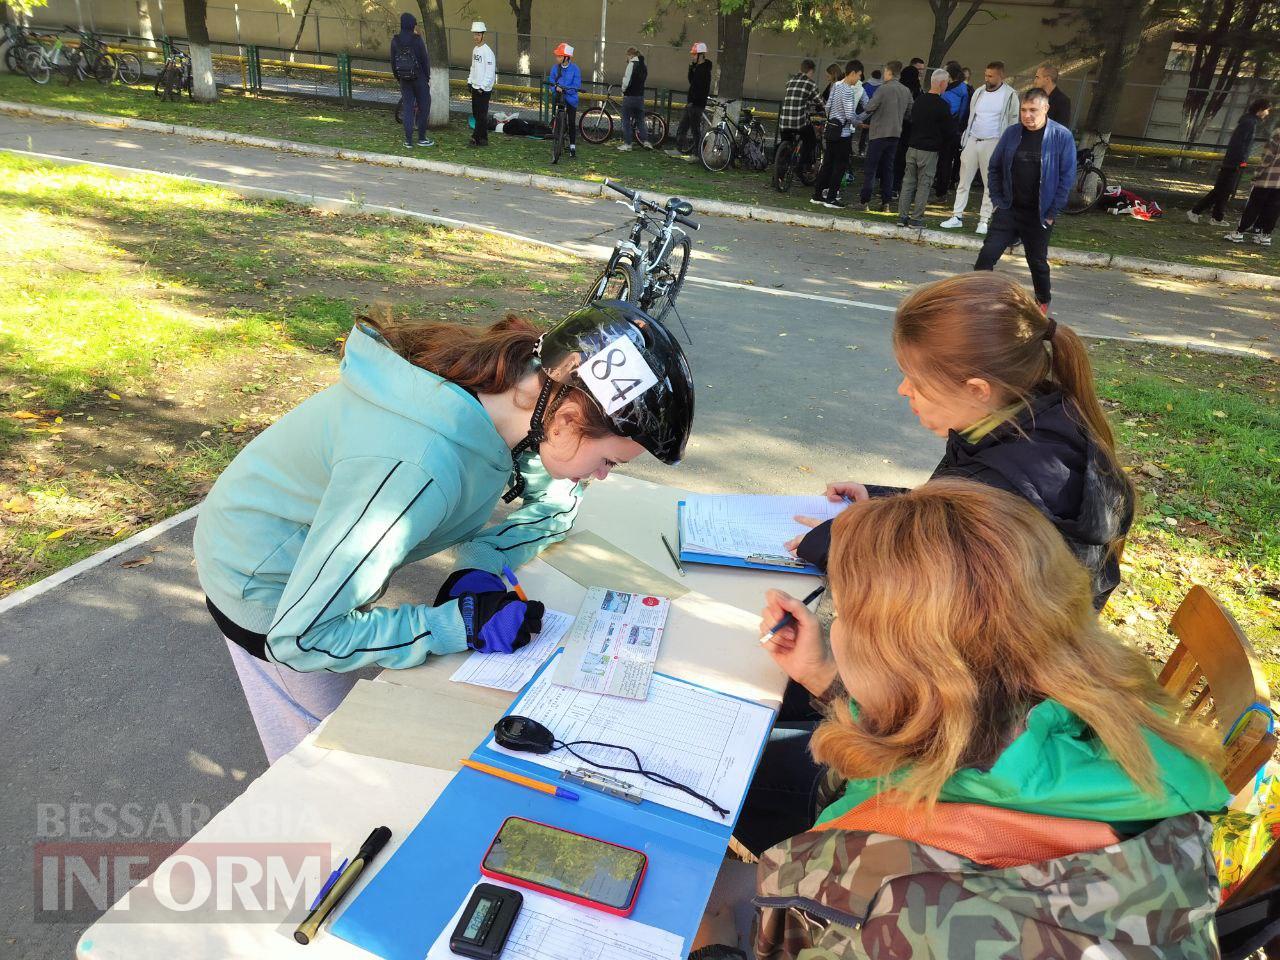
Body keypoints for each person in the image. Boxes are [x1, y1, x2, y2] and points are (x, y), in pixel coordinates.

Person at [718, 480, 1228, 959]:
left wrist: (712, 937)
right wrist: (825, 675)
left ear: (902, 666)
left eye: (844, 614)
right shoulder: (1089, 721)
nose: (837, 625)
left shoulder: (909, 916)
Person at [194, 303, 695, 763]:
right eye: (607, 460)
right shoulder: (417, 467)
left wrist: (478, 561)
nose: (603, 476)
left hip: (315, 564)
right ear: (566, 420)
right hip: (262, 582)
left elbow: (553, 502)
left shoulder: (520, 394)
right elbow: (302, 638)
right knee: (324, 758)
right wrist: (458, 623)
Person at [790, 272, 1136, 614]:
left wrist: (837, 543)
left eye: (917, 382)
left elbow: (932, 585)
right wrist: (886, 502)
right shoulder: (1032, 421)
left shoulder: (1007, 485)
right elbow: (954, 515)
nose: (903, 390)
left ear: (976, 390)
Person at [973, 87, 1076, 310]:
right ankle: (977, 299)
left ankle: (1042, 302)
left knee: (1037, 261)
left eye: (1033, 110)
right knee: (987, 255)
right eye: (1023, 110)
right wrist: (999, 201)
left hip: (1039, 214)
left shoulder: (1061, 136)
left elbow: (1066, 178)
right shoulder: (1012, 133)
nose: (1027, 115)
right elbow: (994, 168)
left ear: (1046, 109)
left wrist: (1051, 213)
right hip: (1009, 209)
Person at [941, 60, 1019, 234]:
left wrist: (1006, 146)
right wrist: (967, 137)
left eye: (991, 76)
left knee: (989, 183)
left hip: (994, 141)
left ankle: (984, 220)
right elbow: (971, 116)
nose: (987, 78)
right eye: (985, 75)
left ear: (1001, 76)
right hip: (973, 139)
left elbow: (1013, 122)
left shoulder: (1010, 95)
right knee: (963, 181)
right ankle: (957, 216)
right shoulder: (979, 92)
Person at [1189, 98, 1271, 226]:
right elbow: (1239, 144)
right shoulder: (1249, 123)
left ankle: (1214, 217)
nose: (1267, 113)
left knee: (1223, 190)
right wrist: (1241, 161)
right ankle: (1198, 212)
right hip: (1234, 162)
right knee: (1223, 190)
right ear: (1260, 109)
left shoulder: (1249, 121)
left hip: (1233, 161)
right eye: (1267, 110)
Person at [897, 69, 953, 227]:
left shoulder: (919, 101)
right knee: (924, 184)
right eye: (946, 83)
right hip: (929, 150)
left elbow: (911, 120)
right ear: (942, 83)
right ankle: (916, 218)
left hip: (912, 147)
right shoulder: (942, 105)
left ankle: (902, 216)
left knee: (908, 182)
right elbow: (948, 130)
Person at [857, 60, 913, 211]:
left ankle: (865, 201)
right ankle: (886, 202)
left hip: (878, 133)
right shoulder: (906, 91)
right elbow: (909, 112)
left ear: (889, 72)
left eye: (885, 72)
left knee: (871, 168)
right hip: (895, 134)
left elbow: (870, 107)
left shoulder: (883, 89)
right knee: (889, 168)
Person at [810, 59, 864, 209]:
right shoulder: (847, 89)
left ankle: (817, 194)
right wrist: (859, 121)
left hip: (831, 130)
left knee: (827, 163)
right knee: (839, 166)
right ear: (852, 73)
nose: (859, 78)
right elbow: (849, 115)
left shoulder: (836, 86)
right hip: (843, 133)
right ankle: (831, 197)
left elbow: (827, 106)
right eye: (859, 75)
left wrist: (832, 118)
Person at [1226, 122, 1280, 246]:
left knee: (1253, 206)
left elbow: (1267, 159)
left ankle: (1239, 232)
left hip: (1266, 180)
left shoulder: (1276, 137)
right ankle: (1265, 235)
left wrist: (1256, 174)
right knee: (1273, 209)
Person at [390, 12, 433, 149]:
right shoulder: (417, 39)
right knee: (424, 106)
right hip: (419, 79)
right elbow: (424, 60)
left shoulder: (395, 40)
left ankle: (408, 141)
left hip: (404, 79)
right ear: (411, 24)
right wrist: (427, 77)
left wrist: (398, 77)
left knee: (408, 108)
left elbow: (393, 62)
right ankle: (421, 138)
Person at [777, 59, 823, 172]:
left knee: (786, 147)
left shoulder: (790, 81)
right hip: (799, 123)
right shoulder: (810, 84)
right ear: (811, 71)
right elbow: (820, 102)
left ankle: (779, 175)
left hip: (783, 122)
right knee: (810, 139)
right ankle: (802, 166)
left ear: (800, 69)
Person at [933, 61, 969, 198]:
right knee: (945, 161)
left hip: (948, 130)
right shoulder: (962, 88)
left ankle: (941, 191)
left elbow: (952, 110)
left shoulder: (953, 90)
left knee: (945, 161)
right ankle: (941, 188)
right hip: (954, 129)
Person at [672, 42, 713, 157]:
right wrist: (691, 69)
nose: (693, 56)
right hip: (691, 103)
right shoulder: (697, 67)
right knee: (683, 126)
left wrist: (694, 101)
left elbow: (702, 88)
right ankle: (679, 148)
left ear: (701, 55)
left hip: (697, 104)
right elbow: (692, 82)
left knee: (695, 130)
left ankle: (697, 153)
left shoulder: (705, 70)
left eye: (695, 54)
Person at [548, 42, 582, 158]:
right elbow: (551, 81)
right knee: (558, 117)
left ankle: (572, 145)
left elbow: (576, 85)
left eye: (560, 56)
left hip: (571, 98)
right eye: (557, 56)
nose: (557, 58)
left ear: (566, 57)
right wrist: (554, 88)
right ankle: (557, 133)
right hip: (559, 97)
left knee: (571, 122)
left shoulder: (575, 69)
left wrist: (567, 90)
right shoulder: (555, 68)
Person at [466, 21, 495, 148]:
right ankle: (484, 139)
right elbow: (473, 67)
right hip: (475, 86)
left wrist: (483, 87)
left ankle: (475, 138)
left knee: (481, 115)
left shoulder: (487, 52)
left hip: (484, 89)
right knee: (476, 114)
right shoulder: (475, 50)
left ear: (483, 35)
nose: (476, 37)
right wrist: (470, 81)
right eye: (474, 34)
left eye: (478, 34)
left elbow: (490, 71)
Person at [618, 46, 650, 151]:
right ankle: (646, 142)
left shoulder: (631, 65)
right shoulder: (643, 66)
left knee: (626, 120)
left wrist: (623, 90)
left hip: (629, 97)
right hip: (640, 97)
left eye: (627, 56)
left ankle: (628, 144)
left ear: (630, 55)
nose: (626, 58)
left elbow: (626, 81)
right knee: (640, 120)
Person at [1034, 63, 1071, 127]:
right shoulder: (1036, 97)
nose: (1035, 81)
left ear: (1047, 79)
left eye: (1037, 77)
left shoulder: (1062, 101)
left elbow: (1060, 129)